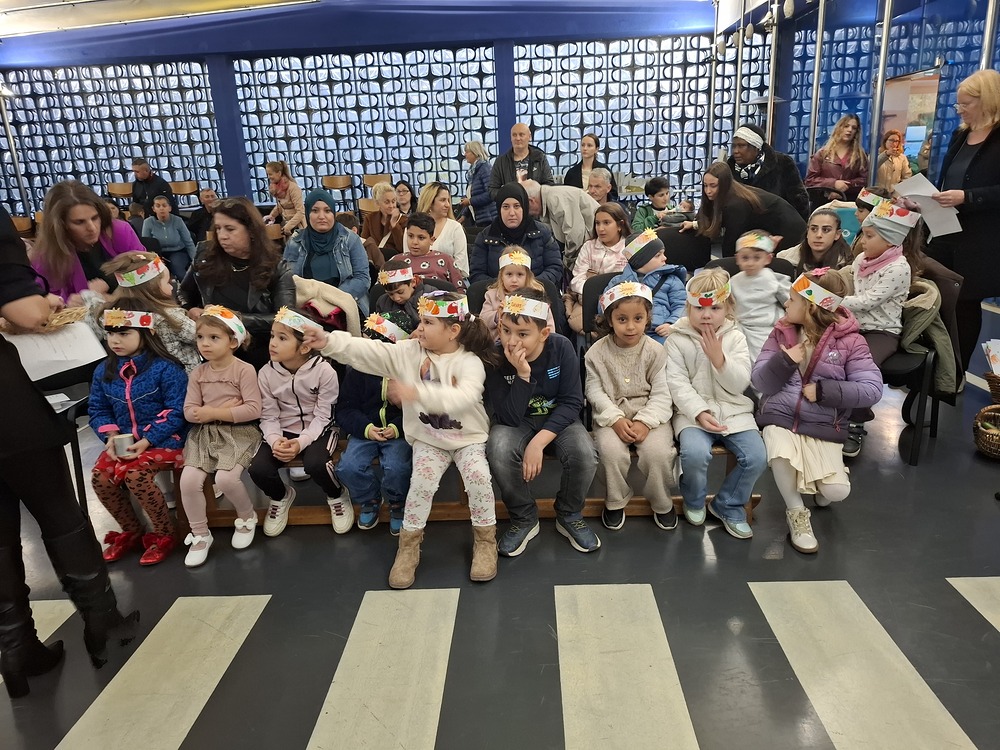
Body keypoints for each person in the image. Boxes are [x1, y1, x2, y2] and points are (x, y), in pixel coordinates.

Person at [0, 207, 138, 697]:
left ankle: (15, 650)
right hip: (8, 407)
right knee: (59, 511)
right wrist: (46, 302)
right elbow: (29, 313)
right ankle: (103, 623)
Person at [308, 291, 500, 589]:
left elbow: (464, 396)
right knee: (420, 485)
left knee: (478, 478)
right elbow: (368, 351)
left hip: (467, 439)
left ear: (453, 330)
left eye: (428, 322)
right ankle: (408, 548)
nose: (419, 328)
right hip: (429, 440)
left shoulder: (469, 361)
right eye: (420, 321)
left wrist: (417, 392)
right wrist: (329, 342)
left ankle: (485, 542)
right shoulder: (409, 352)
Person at [752, 270, 882, 553]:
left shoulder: (852, 342)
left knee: (836, 491)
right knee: (780, 452)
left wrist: (825, 391)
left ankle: (825, 486)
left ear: (811, 306)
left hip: (824, 424)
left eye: (792, 299)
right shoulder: (782, 332)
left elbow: (872, 389)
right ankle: (797, 514)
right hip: (781, 417)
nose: (786, 304)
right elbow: (760, 381)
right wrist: (784, 360)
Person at [486, 288, 601, 556]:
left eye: (522, 334)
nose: (511, 341)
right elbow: (507, 417)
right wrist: (522, 376)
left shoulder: (561, 347)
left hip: (558, 418)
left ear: (544, 333)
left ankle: (569, 513)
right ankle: (524, 516)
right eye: (506, 331)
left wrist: (538, 443)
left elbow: (572, 402)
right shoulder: (495, 355)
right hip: (517, 421)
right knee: (499, 449)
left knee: (585, 453)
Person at [665, 268, 767, 540]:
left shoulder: (736, 337)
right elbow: (676, 383)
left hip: (734, 411)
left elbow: (740, 383)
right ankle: (694, 498)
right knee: (695, 455)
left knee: (756, 457)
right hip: (692, 415)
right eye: (699, 308)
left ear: (728, 308)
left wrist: (720, 360)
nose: (706, 315)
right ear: (689, 307)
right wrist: (699, 412)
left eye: (715, 308)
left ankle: (728, 504)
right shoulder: (676, 339)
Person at [88, 304, 188, 566]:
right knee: (101, 477)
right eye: (110, 333)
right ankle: (131, 531)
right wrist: (110, 436)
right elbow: (98, 409)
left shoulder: (166, 369)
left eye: (124, 333)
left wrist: (147, 440)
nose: (115, 340)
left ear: (146, 333)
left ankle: (164, 534)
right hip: (125, 443)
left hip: (166, 441)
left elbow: (177, 411)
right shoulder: (103, 371)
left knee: (135, 474)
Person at [586, 282, 677, 531]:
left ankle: (661, 500)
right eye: (622, 319)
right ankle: (615, 500)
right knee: (609, 452)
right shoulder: (595, 353)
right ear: (610, 320)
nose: (630, 326)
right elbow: (594, 391)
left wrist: (645, 421)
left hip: (652, 416)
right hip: (610, 416)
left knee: (658, 453)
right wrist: (614, 419)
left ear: (647, 318)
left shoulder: (656, 351)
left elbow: (662, 393)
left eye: (638, 318)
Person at [926, 68, 1000, 372]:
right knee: (934, 296)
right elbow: (947, 182)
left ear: (987, 100)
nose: (960, 110)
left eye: (966, 104)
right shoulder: (960, 135)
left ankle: (955, 373)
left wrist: (968, 197)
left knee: (965, 305)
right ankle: (932, 368)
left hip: (980, 240)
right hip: (945, 231)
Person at [250, 307, 347, 537]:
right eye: (272, 336)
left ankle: (336, 495)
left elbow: (324, 416)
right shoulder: (266, 373)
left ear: (304, 347)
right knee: (258, 468)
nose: (273, 343)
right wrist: (275, 440)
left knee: (316, 463)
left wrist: (301, 443)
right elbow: (268, 415)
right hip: (282, 429)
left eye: (282, 338)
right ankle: (280, 496)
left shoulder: (324, 371)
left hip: (319, 429)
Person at [179, 306, 263, 567]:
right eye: (200, 337)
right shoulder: (198, 373)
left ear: (233, 342)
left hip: (239, 432)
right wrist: (207, 414)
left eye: (214, 338)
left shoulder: (244, 370)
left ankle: (247, 516)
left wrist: (213, 412)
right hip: (204, 433)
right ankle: (200, 534)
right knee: (188, 482)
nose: (205, 344)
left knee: (226, 479)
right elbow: (189, 411)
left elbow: (253, 409)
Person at [179, 196, 296, 370]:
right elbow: (183, 293)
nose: (222, 236)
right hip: (212, 348)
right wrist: (189, 309)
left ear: (251, 231)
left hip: (257, 348)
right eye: (218, 228)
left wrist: (236, 318)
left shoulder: (276, 266)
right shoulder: (204, 256)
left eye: (230, 229)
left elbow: (287, 318)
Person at [840, 201, 916, 457]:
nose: (862, 241)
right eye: (863, 234)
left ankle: (855, 422)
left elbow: (867, 301)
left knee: (862, 368)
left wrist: (832, 301)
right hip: (853, 326)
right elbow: (851, 287)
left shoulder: (898, 268)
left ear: (890, 240)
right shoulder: (861, 259)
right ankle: (829, 412)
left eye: (870, 236)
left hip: (882, 331)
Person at [335, 311, 415, 533]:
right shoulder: (358, 371)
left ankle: (398, 501)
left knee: (397, 467)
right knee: (348, 467)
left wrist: (396, 427)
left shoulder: (409, 372)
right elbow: (345, 408)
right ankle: (369, 498)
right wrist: (366, 428)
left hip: (398, 433)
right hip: (365, 432)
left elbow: (418, 410)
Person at [81, 252, 200, 372]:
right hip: (181, 375)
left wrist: (92, 295)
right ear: (154, 288)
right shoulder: (169, 316)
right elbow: (198, 335)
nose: (171, 287)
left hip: (134, 375)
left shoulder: (113, 316)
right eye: (167, 282)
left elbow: (93, 325)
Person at [29, 180, 144, 303]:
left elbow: (148, 280)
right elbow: (43, 302)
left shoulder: (120, 231)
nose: (92, 228)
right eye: (79, 222)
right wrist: (65, 303)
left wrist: (109, 299)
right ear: (61, 225)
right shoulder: (44, 257)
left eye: (95, 218)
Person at [683, 162, 806, 258]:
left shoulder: (735, 204)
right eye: (705, 185)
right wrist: (695, 224)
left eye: (713, 185)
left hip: (790, 230)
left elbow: (731, 243)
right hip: (779, 226)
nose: (708, 191)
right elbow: (720, 221)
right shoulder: (732, 192)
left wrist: (725, 269)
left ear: (724, 184)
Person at [283, 189, 371, 316]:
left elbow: (362, 278)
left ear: (333, 213)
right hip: (308, 309)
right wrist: (313, 304)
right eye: (315, 211)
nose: (321, 216)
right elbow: (288, 281)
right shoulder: (295, 242)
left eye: (327, 210)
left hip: (345, 305)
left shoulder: (350, 239)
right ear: (307, 214)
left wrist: (331, 299)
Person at [469, 182, 563, 288]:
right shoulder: (485, 237)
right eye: (506, 207)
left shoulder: (542, 232)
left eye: (517, 206)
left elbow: (555, 267)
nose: (512, 213)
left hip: (536, 293)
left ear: (524, 207)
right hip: (497, 295)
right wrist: (505, 286)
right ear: (499, 209)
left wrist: (530, 285)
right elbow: (476, 274)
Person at [605, 230, 687, 344]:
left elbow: (682, 305)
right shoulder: (618, 282)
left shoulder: (671, 279)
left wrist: (672, 324)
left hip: (660, 333)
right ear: (641, 260)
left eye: (663, 253)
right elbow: (605, 309)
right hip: (627, 333)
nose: (664, 258)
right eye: (658, 255)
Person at [566, 202, 630, 333]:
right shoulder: (588, 247)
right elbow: (577, 279)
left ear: (620, 225)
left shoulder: (629, 248)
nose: (600, 228)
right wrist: (592, 293)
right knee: (579, 323)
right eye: (597, 223)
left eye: (606, 223)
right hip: (587, 300)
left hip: (620, 301)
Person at [727, 123, 810, 220]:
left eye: (741, 146)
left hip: (777, 225)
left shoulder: (783, 163)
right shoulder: (729, 169)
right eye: (734, 146)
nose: (735, 151)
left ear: (756, 147)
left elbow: (799, 201)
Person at [731, 231, 790, 362]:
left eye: (757, 258)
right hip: (742, 328)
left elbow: (790, 301)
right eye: (745, 258)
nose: (750, 263)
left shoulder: (774, 279)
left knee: (768, 361)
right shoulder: (733, 281)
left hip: (769, 328)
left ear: (767, 259)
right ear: (737, 259)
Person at [522, 179, 600, 267]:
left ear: (531, 201)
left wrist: (567, 264)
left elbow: (575, 236)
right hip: (590, 248)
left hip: (595, 250)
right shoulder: (550, 198)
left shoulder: (555, 199)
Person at [481, 248, 555, 341]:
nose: (514, 280)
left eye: (520, 274)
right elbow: (482, 321)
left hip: (531, 345)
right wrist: (497, 315)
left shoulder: (537, 297)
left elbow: (549, 327)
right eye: (509, 274)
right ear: (501, 276)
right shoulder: (491, 295)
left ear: (527, 276)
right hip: (498, 344)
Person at [805, 114, 869, 202]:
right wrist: (833, 183)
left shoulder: (860, 155)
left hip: (849, 202)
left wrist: (847, 185)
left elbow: (864, 180)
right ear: (839, 128)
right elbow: (810, 180)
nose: (850, 130)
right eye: (846, 126)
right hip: (823, 201)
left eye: (854, 128)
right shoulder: (822, 154)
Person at [399, 211, 466, 289]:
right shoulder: (397, 261)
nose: (414, 242)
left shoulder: (446, 260)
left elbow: (460, 290)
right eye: (410, 236)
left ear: (432, 240)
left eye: (421, 238)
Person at [776, 208, 852, 274]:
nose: (818, 235)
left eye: (826, 230)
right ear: (807, 232)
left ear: (837, 234)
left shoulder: (848, 265)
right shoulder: (784, 259)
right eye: (813, 229)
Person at [489, 122, 554, 199]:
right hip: (511, 205)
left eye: (521, 135)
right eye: (514, 135)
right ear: (511, 138)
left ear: (529, 137)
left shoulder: (540, 158)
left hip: (535, 203)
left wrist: (535, 194)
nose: (517, 138)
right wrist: (508, 196)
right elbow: (492, 190)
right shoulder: (501, 162)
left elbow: (549, 185)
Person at [416, 181, 469, 275]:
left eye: (448, 200)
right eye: (443, 200)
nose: (447, 205)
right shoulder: (412, 227)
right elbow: (408, 262)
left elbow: (461, 265)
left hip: (450, 280)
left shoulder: (455, 228)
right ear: (430, 202)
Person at [142, 195, 197, 279]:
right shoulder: (148, 222)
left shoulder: (178, 220)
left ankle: (185, 286)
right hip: (157, 254)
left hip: (177, 251)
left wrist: (195, 260)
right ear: (153, 209)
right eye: (158, 206)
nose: (161, 208)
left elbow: (188, 242)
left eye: (164, 205)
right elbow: (146, 244)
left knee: (178, 270)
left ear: (169, 208)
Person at [361, 181, 408, 264]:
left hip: (395, 262)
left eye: (393, 201)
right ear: (377, 203)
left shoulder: (404, 220)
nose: (391, 206)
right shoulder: (370, 218)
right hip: (375, 262)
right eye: (387, 202)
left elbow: (402, 248)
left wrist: (394, 225)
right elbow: (364, 243)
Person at [565, 133, 619, 199]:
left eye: (589, 145)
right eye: (583, 145)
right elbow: (566, 195)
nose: (585, 148)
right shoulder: (572, 172)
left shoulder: (604, 169)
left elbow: (613, 193)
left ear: (596, 149)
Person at [375, 260, 427, 329]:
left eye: (400, 292)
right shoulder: (383, 302)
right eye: (390, 294)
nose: (396, 298)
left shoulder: (429, 298)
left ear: (413, 282)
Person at [459, 141, 497, 227]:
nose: (465, 155)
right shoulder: (473, 172)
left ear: (475, 152)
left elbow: (491, 194)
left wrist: (470, 201)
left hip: (489, 219)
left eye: (467, 152)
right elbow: (472, 196)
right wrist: (464, 216)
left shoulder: (485, 168)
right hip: (480, 220)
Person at [264, 160, 306, 236]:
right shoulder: (277, 189)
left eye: (270, 174)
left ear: (279, 173)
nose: (268, 177)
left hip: (298, 228)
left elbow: (300, 212)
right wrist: (271, 216)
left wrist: (287, 227)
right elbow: (281, 205)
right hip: (286, 226)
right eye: (267, 174)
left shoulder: (293, 188)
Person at [851, 187, 893, 257]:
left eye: (861, 211)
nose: (856, 213)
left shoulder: (876, 242)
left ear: (875, 212)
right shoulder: (862, 231)